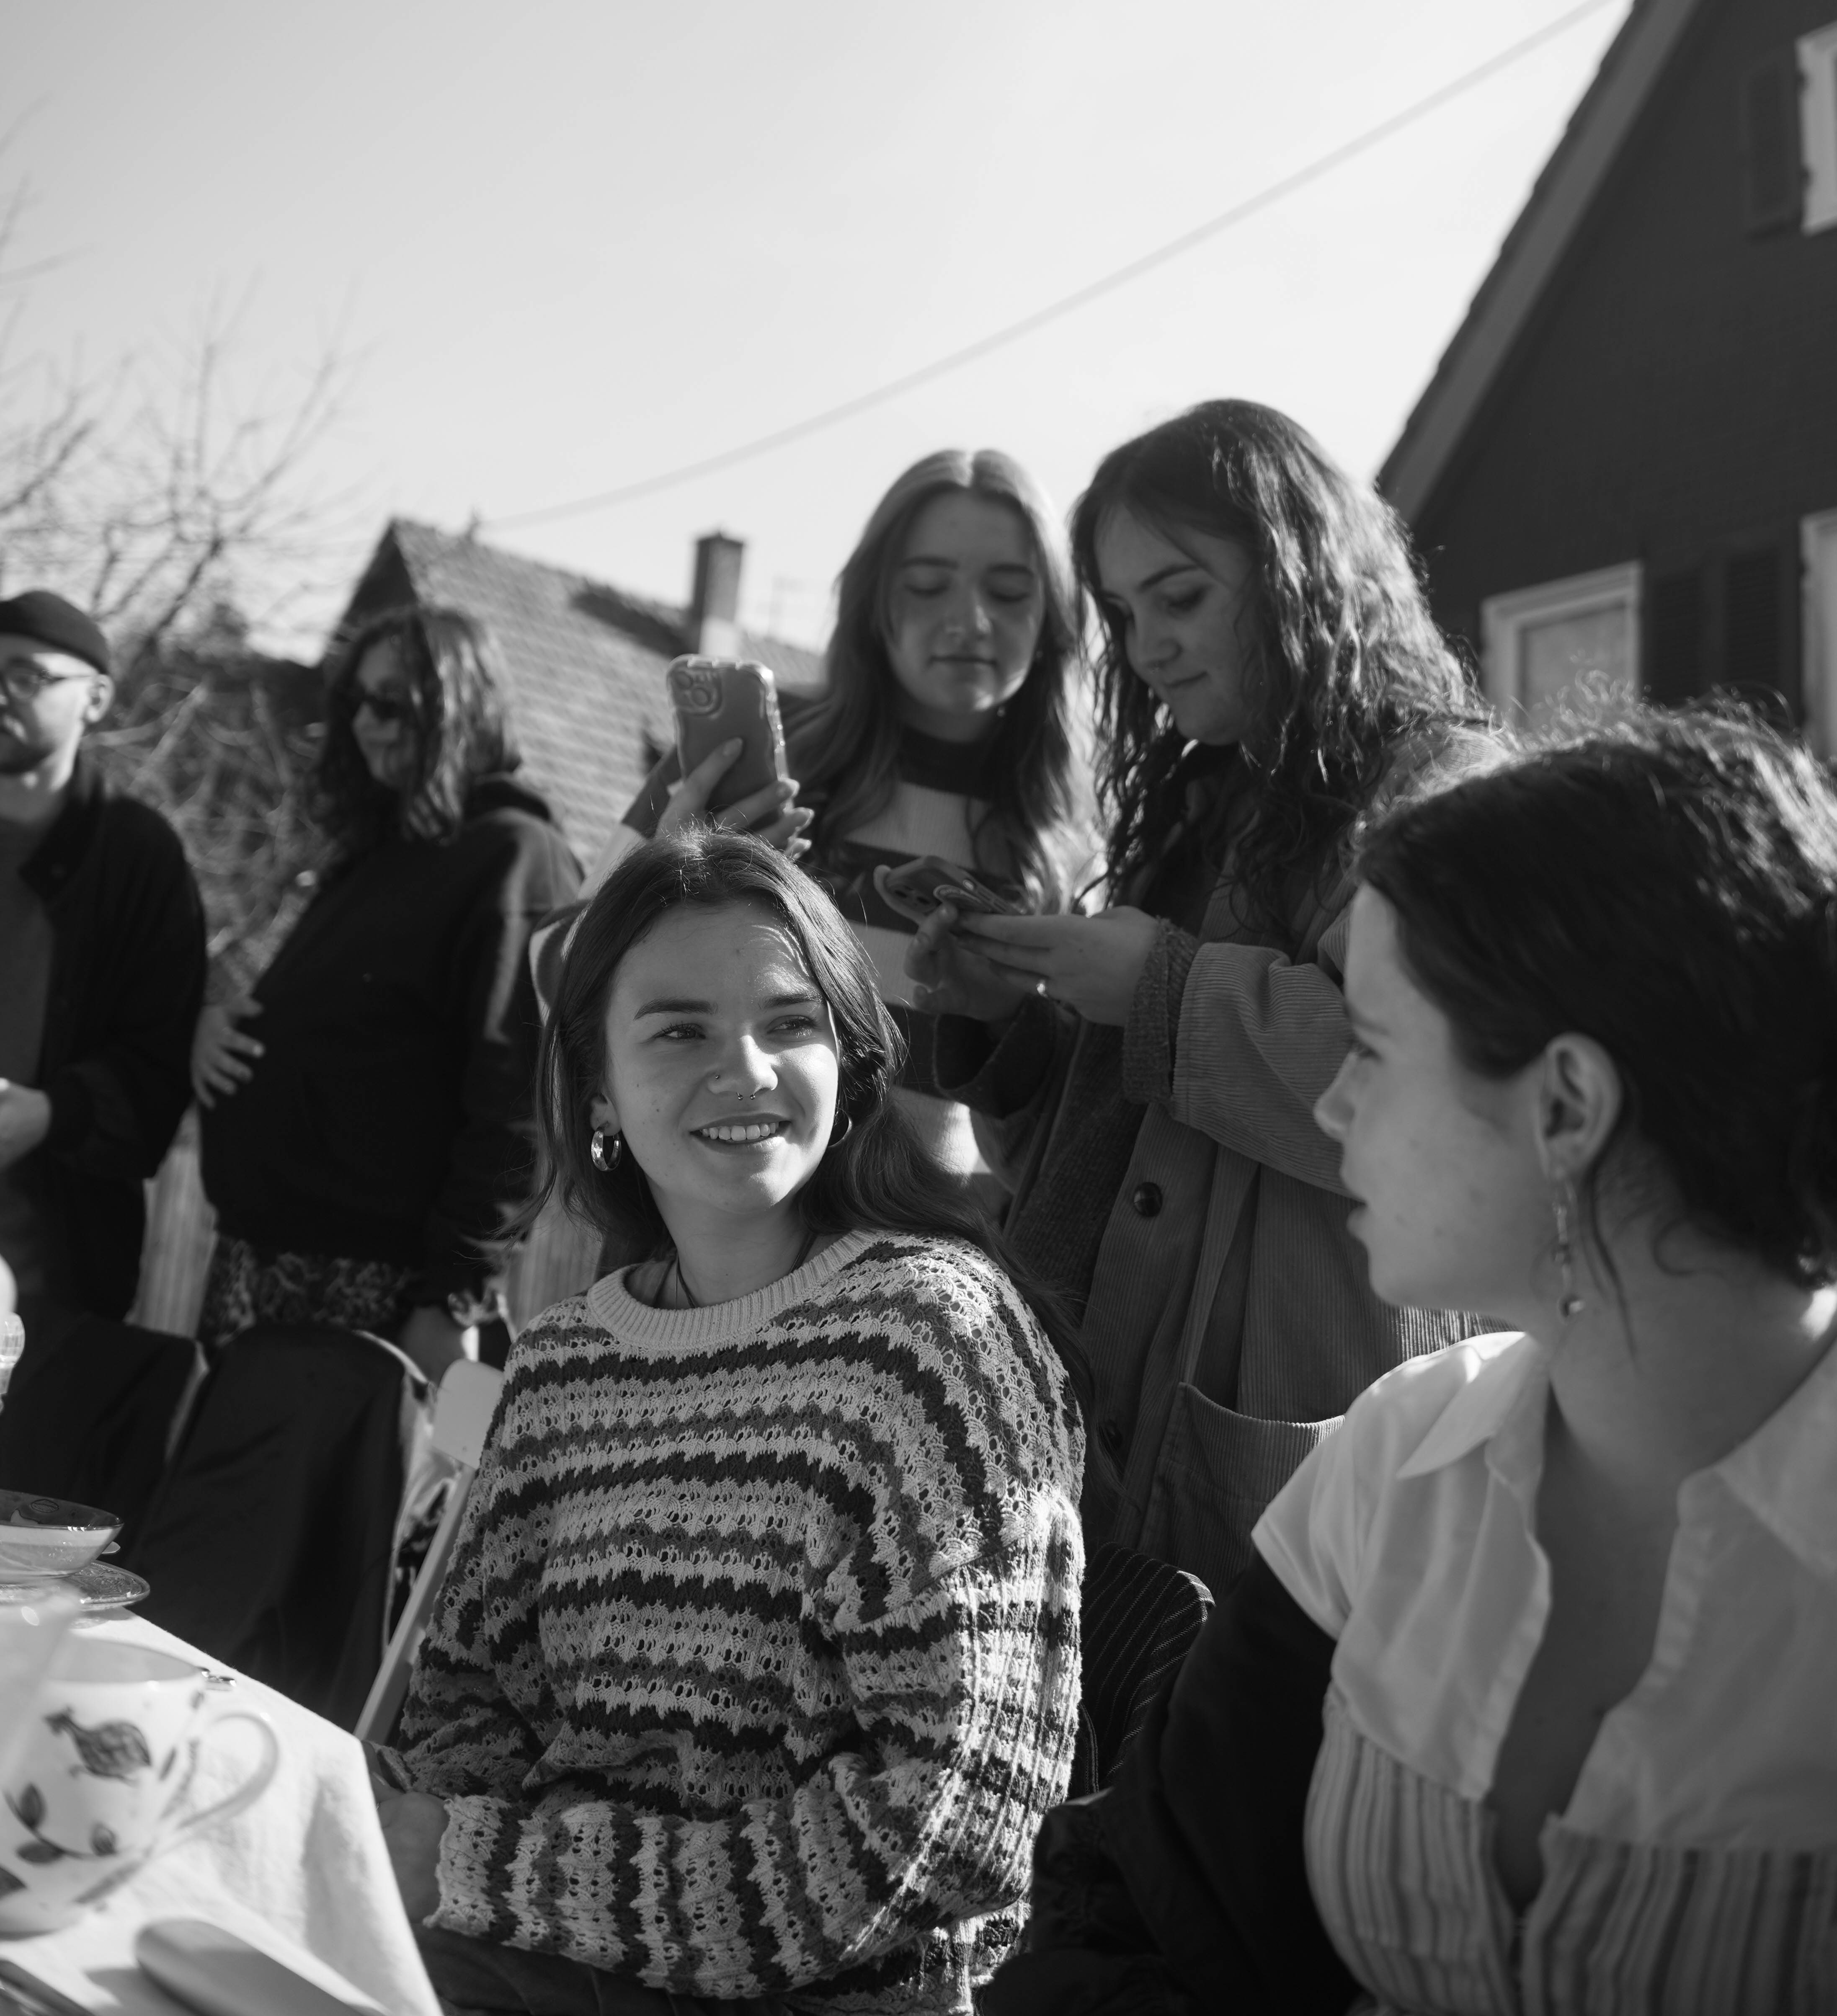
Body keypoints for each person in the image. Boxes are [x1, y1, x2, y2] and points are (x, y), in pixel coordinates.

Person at [958, 710, 1837, 2016]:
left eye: (1368, 1037)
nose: (1335, 1093)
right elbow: (1128, 1935)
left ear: (1564, 1103)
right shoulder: (1392, 1460)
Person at [373, 830, 1084, 2016]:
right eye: (679, 1031)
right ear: (594, 1086)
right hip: (553, 1972)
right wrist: (471, 1866)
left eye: (788, 1022)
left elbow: (953, 1822)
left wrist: (496, 1872)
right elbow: (468, 1701)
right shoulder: (571, 1359)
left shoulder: (932, 1344)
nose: (743, 1071)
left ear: (851, 1062)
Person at [912, 399, 1479, 1592]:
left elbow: (1438, 1100)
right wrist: (1013, 1020)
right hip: (1087, 1416)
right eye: (1122, 615)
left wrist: (1160, 992)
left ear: (1298, 573)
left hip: (1285, 1436)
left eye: (1180, 597)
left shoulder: (1447, 797)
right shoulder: (1196, 803)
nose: (1146, 645)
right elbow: (1104, 1155)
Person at [603, 449, 1088, 1195]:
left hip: (918, 1277)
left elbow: (1052, 1131)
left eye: (1010, 590)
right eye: (927, 586)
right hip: (709, 1245)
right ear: (873, 603)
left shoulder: (1071, 845)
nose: (968, 619)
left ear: (1054, 619)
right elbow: (553, 970)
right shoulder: (754, 747)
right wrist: (663, 884)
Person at [193, 606, 581, 1378]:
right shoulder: (373, 852)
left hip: (381, 1300)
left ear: (463, 707)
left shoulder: (515, 856)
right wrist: (206, 1026)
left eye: (394, 702)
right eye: (357, 703)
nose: (368, 723)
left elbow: (519, 1104)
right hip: (257, 1276)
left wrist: (452, 1302)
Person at [0, 589, 205, 1317]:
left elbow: (163, 1061)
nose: (1, 692)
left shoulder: (138, 859)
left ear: (96, 698)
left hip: (55, 1280)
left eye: (27, 675)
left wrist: (54, 1112)